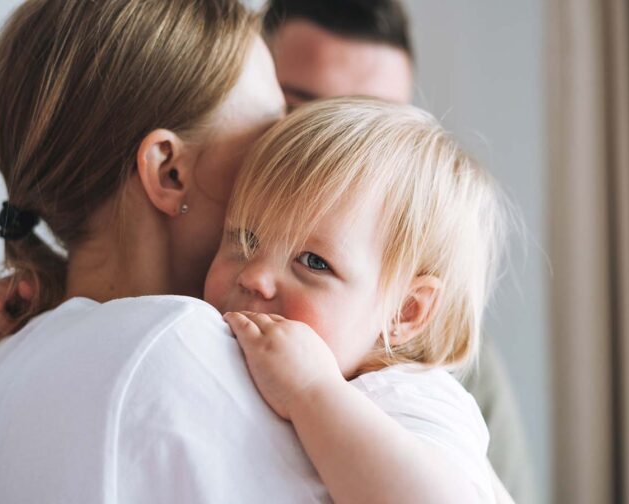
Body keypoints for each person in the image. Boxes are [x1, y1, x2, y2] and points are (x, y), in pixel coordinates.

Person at [0, 1, 508, 503]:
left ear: (408, 311)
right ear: (170, 171)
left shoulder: (12, 360)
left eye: (314, 261)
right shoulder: (179, 344)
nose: (294, 151)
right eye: (272, 124)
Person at [262, 1, 535, 500]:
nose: (333, 155)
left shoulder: (440, 375)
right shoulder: (208, 285)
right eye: (301, 112)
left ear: (408, 312)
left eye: (373, 127)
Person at [210, 97, 514, 503]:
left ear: (405, 312)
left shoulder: (411, 397)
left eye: (314, 262)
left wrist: (311, 391)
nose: (255, 276)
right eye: (246, 239)